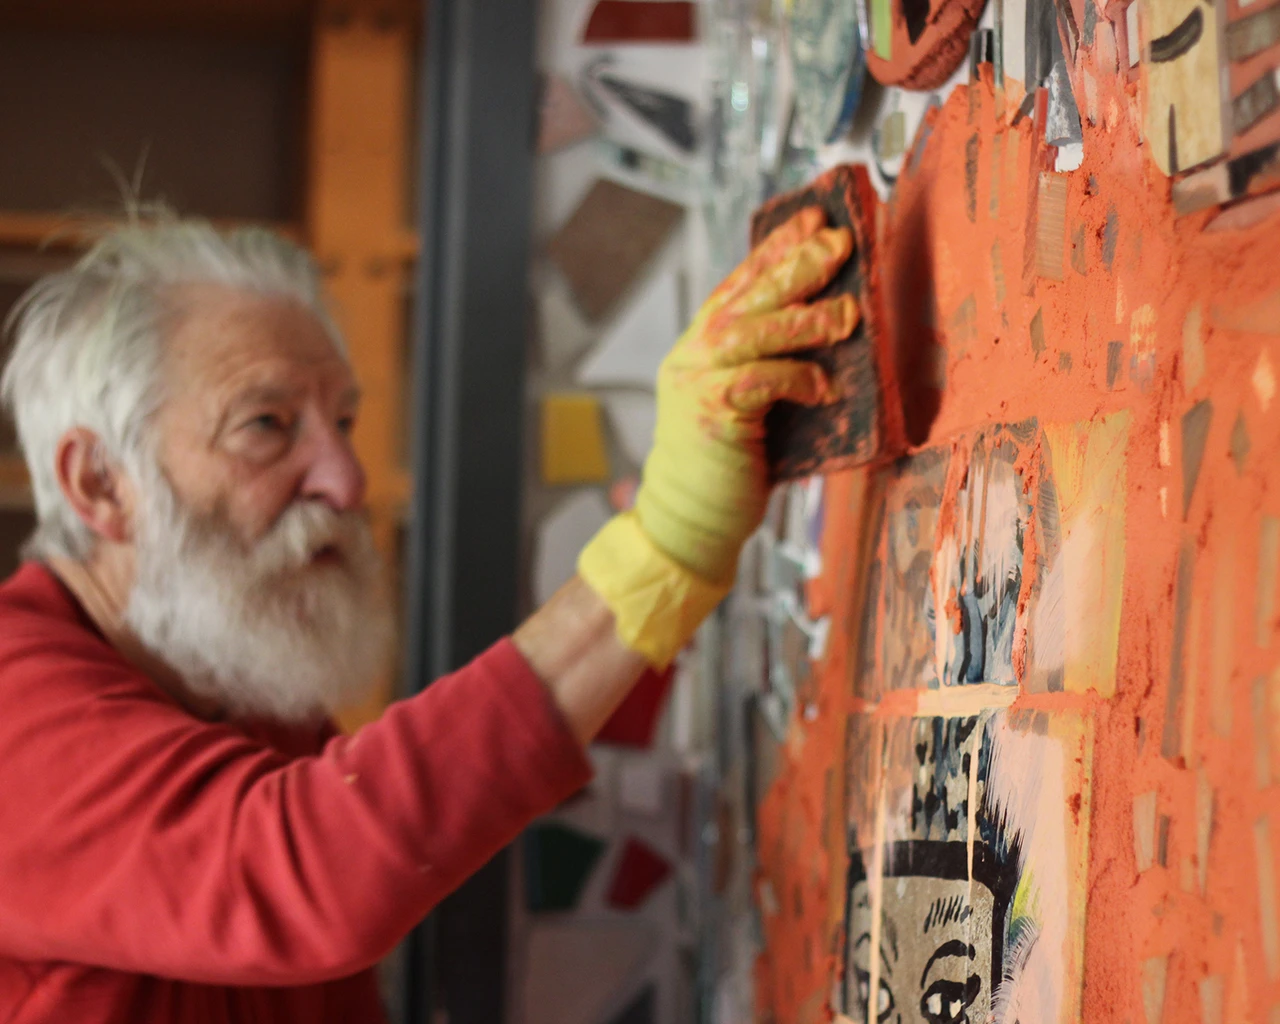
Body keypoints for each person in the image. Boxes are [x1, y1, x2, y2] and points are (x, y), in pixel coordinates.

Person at [0, 206, 856, 1022]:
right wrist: (668, 542)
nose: (345, 479)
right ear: (101, 484)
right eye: (267, 424)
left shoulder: (251, 709)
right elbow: (304, 871)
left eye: (343, 421)